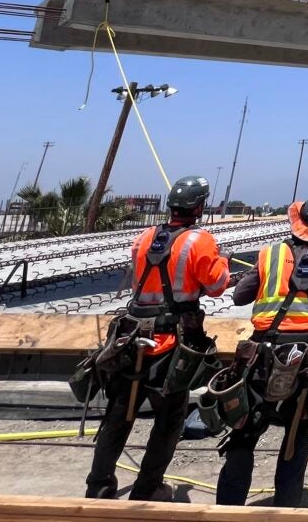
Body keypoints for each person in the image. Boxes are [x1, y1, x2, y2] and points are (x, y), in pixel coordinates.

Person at [83, 175, 229, 500]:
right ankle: (147, 489)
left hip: (131, 338)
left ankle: (98, 487)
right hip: (171, 346)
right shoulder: (200, 241)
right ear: (200, 206)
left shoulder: (145, 236)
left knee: (118, 416)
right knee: (170, 419)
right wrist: (222, 262)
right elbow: (217, 284)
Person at [214, 193, 308, 508]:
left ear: (297, 222)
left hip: (263, 355)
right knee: (296, 432)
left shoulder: (270, 254)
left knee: (244, 431)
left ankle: (226, 512)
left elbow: (239, 297)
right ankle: (286, 506)